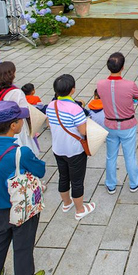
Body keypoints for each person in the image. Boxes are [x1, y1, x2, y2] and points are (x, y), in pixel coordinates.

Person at [0, 101, 46, 275]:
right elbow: (40, 171)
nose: (23, 121)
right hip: (20, 206)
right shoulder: (21, 152)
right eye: (20, 119)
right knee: (23, 246)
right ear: (13, 125)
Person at [45, 74, 95, 219]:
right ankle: (80, 210)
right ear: (72, 90)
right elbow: (83, 131)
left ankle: (67, 203)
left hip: (58, 148)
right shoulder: (75, 109)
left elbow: (49, 124)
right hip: (74, 150)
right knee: (77, 180)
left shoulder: (51, 105)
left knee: (63, 176)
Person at [96, 53, 138, 194]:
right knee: (129, 155)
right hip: (127, 124)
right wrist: (133, 101)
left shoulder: (100, 84)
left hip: (109, 124)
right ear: (123, 67)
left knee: (110, 156)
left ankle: (111, 184)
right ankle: (134, 182)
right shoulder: (130, 85)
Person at [0, 62, 40, 154]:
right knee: (20, 149)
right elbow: (25, 112)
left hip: (0, 125)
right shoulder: (16, 92)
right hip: (15, 126)